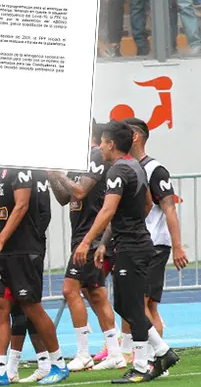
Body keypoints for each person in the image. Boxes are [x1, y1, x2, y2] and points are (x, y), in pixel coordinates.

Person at [72, 121, 178, 382]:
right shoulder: (134, 166)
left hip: (132, 246)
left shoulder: (118, 169)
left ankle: (142, 365)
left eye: (103, 142)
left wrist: (87, 242)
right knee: (124, 304)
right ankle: (162, 351)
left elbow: (107, 210)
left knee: (131, 305)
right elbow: (145, 204)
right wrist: (120, 233)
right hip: (133, 242)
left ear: (110, 144)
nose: (100, 147)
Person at [0, 168, 69, 386]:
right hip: (4, 251)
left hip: (23, 250)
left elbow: (22, 205)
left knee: (31, 307)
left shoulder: (23, 167)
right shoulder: (0, 171)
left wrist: (1, 242)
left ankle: (59, 363)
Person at [45, 123, 127, 373]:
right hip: (81, 233)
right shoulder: (77, 161)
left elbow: (79, 192)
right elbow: (64, 197)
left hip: (90, 235)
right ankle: (115, 352)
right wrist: (52, 175)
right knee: (96, 293)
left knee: (70, 289)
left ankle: (83, 353)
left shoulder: (93, 155)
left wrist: (59, 175)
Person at [124, 118, 189, 361]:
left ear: (135, 137)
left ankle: (154, 356)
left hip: (152, 245)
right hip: (141, 244)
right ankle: (153, 356)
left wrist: (177, 246)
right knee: (148, 305)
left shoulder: (154, 170)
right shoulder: (130, 167)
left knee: (139, 302)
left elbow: (169, 208)